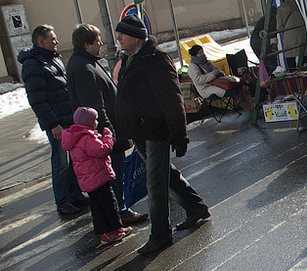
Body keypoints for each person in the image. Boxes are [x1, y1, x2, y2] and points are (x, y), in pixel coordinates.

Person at [114, 15, 210, 255]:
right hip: (140, 132)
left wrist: (180, 134)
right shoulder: (128, 59)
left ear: (136, 36)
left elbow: (172, 98)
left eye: (122, 35)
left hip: (156, 131)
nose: (118, 39)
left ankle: (160, 235)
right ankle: (196, 208)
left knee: (155, 184)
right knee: (166, 175)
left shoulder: (155, 59)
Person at [67, 23, 148, 227]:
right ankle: (120, 212)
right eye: (97, 41)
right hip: (106, 135)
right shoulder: (84, 68)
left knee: (114, 175)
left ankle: (118, 212)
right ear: (86, 44)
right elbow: (94, 106)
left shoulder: (87, 62)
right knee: (114, 176)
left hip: (107, 131)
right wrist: (108, 134)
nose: (102, 44)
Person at [18, 24, 88, 216]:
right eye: (52, 39)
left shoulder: (53, 58)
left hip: (67, 119)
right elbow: (37, 99)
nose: (56, 42)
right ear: (41, 42)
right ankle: (63, 201)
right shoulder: (33, 64)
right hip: (57, 124)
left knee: (73, 159)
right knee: (60, 163)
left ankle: (75, 195)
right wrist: (53, 124)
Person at [61, 107, 131, 245]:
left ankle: (107, 232)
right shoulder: (87, 138)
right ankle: (114, 231)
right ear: (88, 122)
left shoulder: (75, 137)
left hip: (87, 181)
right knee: (109, 204)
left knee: (97, 207)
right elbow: (103, 150)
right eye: (95, 119)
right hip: (98, 178)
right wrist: (108, 136)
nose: (97, 122)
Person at [276, 0, 307, 70]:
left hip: (288, 38)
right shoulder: (300, 5)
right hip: (302, 36)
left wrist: (286, 33)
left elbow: (279, 27)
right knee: (304, 62)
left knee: (291, 63)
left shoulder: (280, 9)